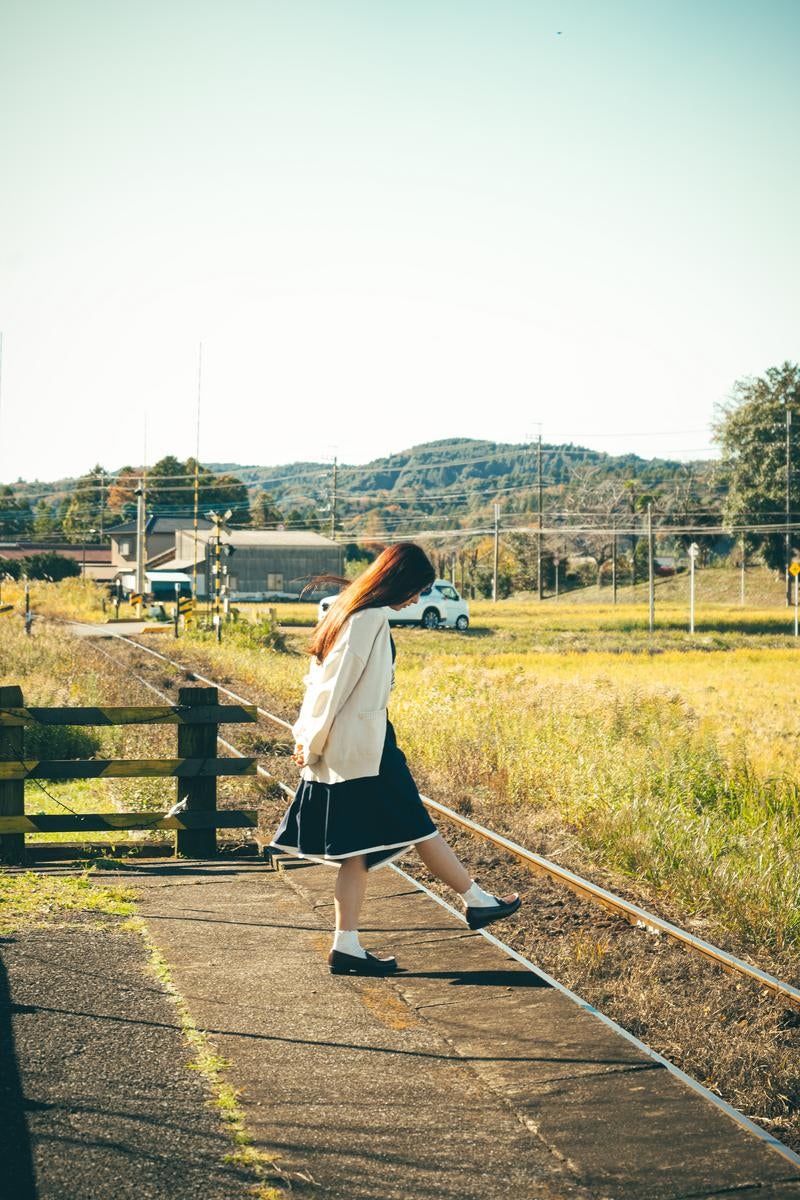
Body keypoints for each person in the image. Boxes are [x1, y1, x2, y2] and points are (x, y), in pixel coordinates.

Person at [269, 542, 521, 976]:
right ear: (399, 581)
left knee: (356, 851)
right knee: (416, 824)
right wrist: (308, 739)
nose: (418, 600)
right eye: (418, 590)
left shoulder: (348, 610)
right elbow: (332, 686)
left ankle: (347, 946)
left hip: (360, 744)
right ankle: (476, 900)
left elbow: (318, 680)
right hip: (363, 749)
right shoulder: (367, 618)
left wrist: (307, 735)